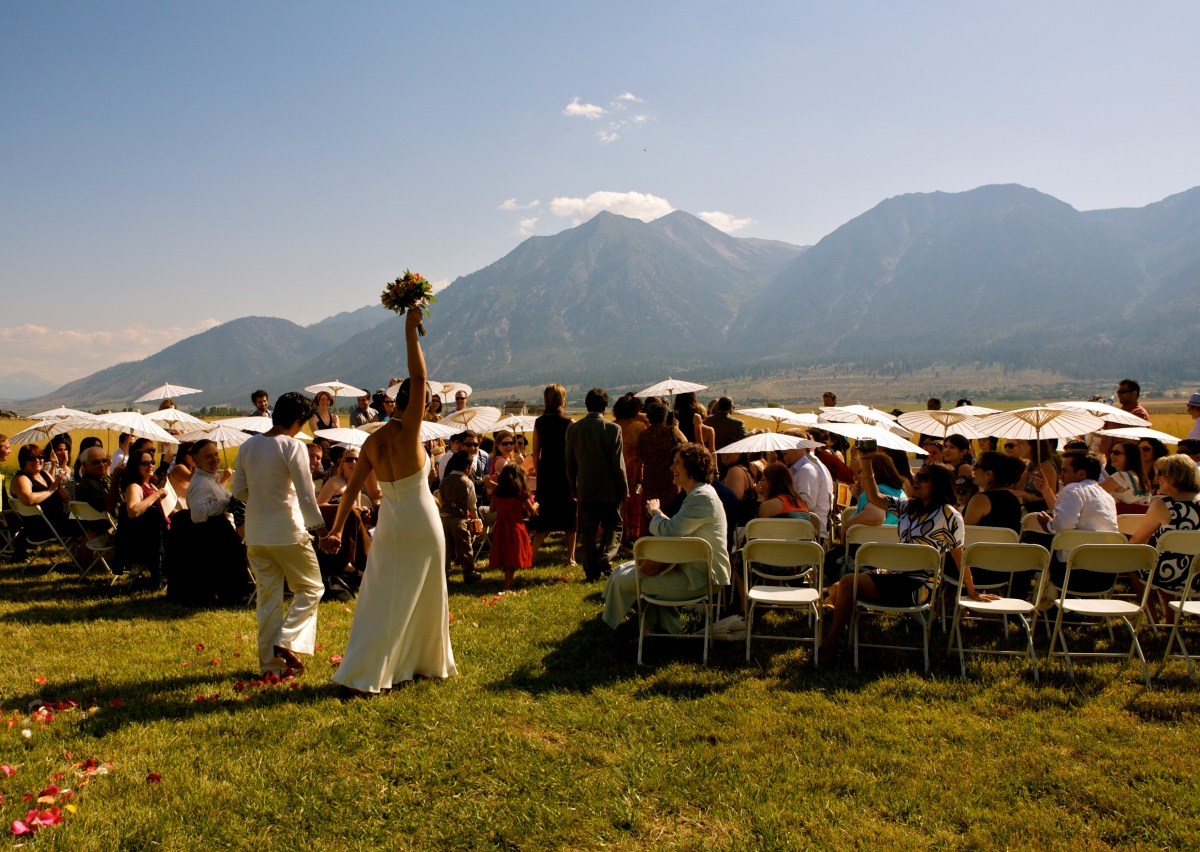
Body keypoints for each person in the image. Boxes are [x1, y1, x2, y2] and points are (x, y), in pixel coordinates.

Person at [324, 307, 456, 693]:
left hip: (391, 524)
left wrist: (336, 529)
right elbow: (419, 376)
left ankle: (383, 664)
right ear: (414, 401)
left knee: (382, 596)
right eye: (426, 400)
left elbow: (351, 491)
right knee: (429, 591)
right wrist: (410, 331)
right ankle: (422, 661)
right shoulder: (408, 430)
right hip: (421, 519)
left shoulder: (371, 441)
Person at [821, 454, 998, 655]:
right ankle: (857, 642)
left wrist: (971, 590)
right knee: (842, 585)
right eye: (917, 475)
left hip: (920, 585)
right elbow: (874, 497)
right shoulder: (908, 507)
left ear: (938, 484)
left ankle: (831, 646)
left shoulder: (949, 516)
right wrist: (868, 462)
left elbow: (960, 555)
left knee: (846, 584)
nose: (916, 480)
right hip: (896, 575)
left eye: (923, 478)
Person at [231, 392, 330, 677]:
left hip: (256, 534)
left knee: (268, 601)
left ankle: (270, 668)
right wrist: (322, 533)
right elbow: (306, 496)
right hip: (288, 531)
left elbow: (237, 491)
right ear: (299, 420)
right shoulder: (293, 446)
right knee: (312, 588)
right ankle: (286, 641)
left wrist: (263, 498)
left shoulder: (249, 446)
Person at [602, 443, 730, 634]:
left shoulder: (701, 497)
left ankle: (609, 626)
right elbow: (678, 529)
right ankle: (661, 628)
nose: (672, 468)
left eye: (677, 463)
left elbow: (671, 531)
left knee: (625, 581)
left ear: (693, 467)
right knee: (620, 570)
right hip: (689, 569)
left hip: (702, 578)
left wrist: (655, 513)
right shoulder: (697, 494)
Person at [168, 438, 251, 604]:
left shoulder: (211, 480)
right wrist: (226, 504)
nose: (215, 459)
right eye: (209, 457)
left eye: (216, 454)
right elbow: (198, 514)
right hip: (216, 543)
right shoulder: (201, 484)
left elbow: (229, 497)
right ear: (197, 462)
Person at [1034, 450, 1119, 599]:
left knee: (1038, 546)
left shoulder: (1073, 489)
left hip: (1071, 575)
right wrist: (1047, 491)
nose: (1060, 476)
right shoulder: (1107, 496)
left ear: (1081, 474)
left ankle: (1043, 604)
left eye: (1064, 471)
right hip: (1104, 576)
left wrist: (1049, 525)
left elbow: (1062, 525)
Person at [565, 388, 628, 581]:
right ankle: (605, 557)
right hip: (609, 489)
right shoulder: (612, 429)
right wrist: (623, 489)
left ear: (586, 405)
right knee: (614, 524)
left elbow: (569, 462)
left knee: (588, 531)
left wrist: (573, 487)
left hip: (585, 488)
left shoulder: (574, 429)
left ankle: (590, 572)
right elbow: (618, 463)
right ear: (605, 406)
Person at [1128, 454, 1200, 623]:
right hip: (1197, 574)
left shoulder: (1163, 506)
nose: (1157, 477)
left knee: (1138, 563)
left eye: (1161, 472)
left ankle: (1153, 620)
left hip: (1171, 576)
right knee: (1169, 561)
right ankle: (1170, 619)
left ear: (1176, 475)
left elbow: (1137, 541)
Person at [529, 384, 578, 566]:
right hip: (564, 471)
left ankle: (533, 555)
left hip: (546, 471)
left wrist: (539, 472)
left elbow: (536, 451)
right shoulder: (569, 422)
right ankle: (570, 557)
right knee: (570, 515)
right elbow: (573, 452)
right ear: (562, 400)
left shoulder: (539, 422)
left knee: (543, 515)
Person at [115, 448, 169, 588]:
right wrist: (156, 496)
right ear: (135, 466)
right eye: (145, 463)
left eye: (152, 462)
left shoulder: (150, 485)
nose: (150, 465)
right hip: (145, 540)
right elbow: (133, 511)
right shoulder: (134, 487)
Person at [9, 443, 72, 560]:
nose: (37, 460)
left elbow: (67, 499)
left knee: (88, 518)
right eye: (31, 458)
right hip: (42, 528)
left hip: (57, 520)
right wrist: (50, 490)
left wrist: (59, 486)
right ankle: (82, 561)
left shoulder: (45, 474)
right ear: (23, 461)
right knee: (91, 524)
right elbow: (29, 499)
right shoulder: (21, 478)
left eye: (40, 457)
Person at [489, 464, 537, 590]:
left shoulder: (497, 491)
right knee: (512, 557)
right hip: (515, 527)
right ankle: (507, 586)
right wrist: (537, 504)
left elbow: (491, 509)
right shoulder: (520, 492)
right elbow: (531, 510)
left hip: (500, 526)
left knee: (505, 555)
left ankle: (509, 581)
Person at [439, 450, 482, 583]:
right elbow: (471, 504)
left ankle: (444, 574)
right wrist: (475, 517)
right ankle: (469, 573)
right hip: (458, 519)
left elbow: (440, 499)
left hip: (443, 518)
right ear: (467, 467)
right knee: (465, 548)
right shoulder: (467, 482)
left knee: (445, 548)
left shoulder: (444, 481)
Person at [782, 430, 833, 539]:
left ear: (801, 445)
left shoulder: (807, 470)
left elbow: (807, 504)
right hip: (801, 530)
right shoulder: (796, 469)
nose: (782, 448)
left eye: (787, 443)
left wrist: (779, 502)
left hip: (809, 534)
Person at [613, 395, 647, 545]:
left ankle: (616, 533)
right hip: (634, 470)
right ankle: (631, 533)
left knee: (617, 504)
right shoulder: (639, 427)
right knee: (633, 502)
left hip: (614, 470)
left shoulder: (611, 426)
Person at [638, 402, 684, 510]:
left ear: (648, 417)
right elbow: (685, 444)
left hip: (650, 481)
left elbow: (638, 459)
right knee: (670, 511)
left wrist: (636, 479)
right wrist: (676, 428)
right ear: (664, 416)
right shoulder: (671, 432)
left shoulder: (643, 435)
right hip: (670, 480)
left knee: (650, 512)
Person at [845, 453, 905, 527]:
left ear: (870, 474)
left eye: (861, 471)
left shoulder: (872, 494)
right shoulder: (901, 493)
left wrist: (847, 524)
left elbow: (877, 516)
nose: (859, 475)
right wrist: (860, 495)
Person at [167, 441, 195, 511]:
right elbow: (192, 478)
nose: (195, 456)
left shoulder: (192, 470)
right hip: (180, 507)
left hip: (191, 506)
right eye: (191, 453)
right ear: (183, 456)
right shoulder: (179, 468)